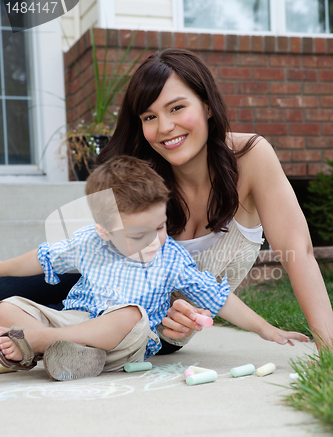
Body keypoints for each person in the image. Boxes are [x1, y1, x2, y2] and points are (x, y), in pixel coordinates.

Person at [0, 48, 332, 351]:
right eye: (149, 117)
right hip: (95, 285)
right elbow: (98, 241)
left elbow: (298, 252)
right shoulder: (142, 173)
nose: (165, 127)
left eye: (176, 108)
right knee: (8, 300)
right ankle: (36, 344)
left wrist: (328, 344)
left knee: (71, 335)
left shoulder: (251, 158)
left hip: (146, 325)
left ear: (206, 105)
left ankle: (40, 344)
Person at [0, 157, 309, 380]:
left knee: (132, 315)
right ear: (105, 231)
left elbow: (219, 297)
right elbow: (41, 258)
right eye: (138, 235)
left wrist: (265, 329)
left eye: (160, 227)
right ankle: (60, 349)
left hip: (126, 339)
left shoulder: (170, 258)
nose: (153, 242)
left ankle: (37, 342)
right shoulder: (89, 243)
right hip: (74, 321)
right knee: (8, 306)